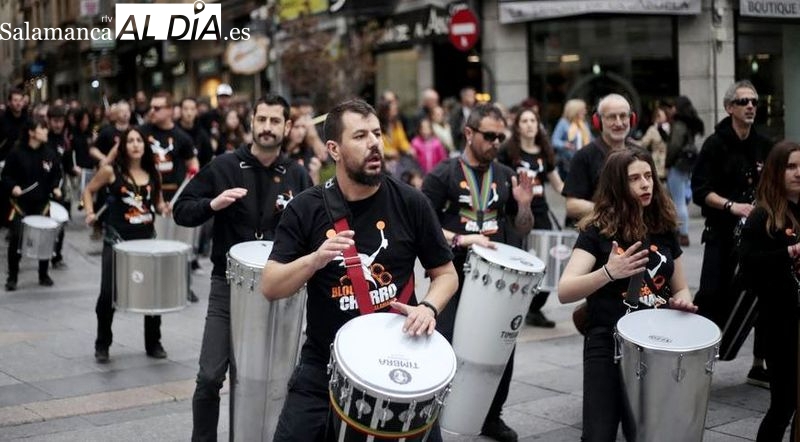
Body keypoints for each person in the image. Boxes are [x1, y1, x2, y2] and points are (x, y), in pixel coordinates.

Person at [261, 98, 459, 441]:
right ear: (334, 149)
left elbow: (446, 273)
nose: (374, 144)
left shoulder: (411, 201)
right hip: (325, 363)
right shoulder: (305, 209)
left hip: (397, 358)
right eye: (361, 136)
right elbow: (271, 285)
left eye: (378, 134)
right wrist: (315, 260)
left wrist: (428, 307)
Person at [172, 94, 313, 441]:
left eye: (275, 121)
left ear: (287, 127)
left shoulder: (296, 175)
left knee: (268, 378)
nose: (267, 127)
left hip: (279, 288)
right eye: (261, 119)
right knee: (209, 377)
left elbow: (316, 226)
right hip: (228, 286)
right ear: (251, 122)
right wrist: (212, 204)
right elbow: (182, 210)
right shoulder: (224, 166)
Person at [557, 147, 697, 441]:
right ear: (618, 186)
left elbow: (681, 285)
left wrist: (683, 301)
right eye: (635, 179)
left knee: (647, 433)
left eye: (649, 176)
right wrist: (609, 272)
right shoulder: (598, 231)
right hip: (608, 342)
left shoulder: (663, 225)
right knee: (598, 434)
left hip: (656, 346)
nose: (646, 184)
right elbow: (565, 290)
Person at [421, 102, 534, 442]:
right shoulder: (442, 174)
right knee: (445, 343)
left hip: (497, 281)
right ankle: (435, 415)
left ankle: (492, 416)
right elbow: (423, 226)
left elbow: (522, 226)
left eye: (501, 136)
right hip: (452, 275)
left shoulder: (504, 175)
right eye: (489, 136)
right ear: (468, 133)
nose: (495, 142)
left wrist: (525, 204)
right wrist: (459, 238)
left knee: (502, 347)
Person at [690, 80, 773, 387]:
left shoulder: (764, 144)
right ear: (729, 108)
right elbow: (700, 191)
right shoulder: (715, 144)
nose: (750, 106)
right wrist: (731, 206)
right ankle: (696, 358)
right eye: (743, 101)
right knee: (711, 295)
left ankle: (759, 364)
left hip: (758, 236)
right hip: (721, 233)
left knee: (764, 298)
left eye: (754, 100)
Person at [81, 126, 168, 362]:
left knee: (152, 294)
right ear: (123, 146)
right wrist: (89, 212)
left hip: (146, 242)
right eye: (130, 141)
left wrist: (164, 208)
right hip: (116, 241)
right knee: (108, 293)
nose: (135, 144)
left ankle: (153, 342)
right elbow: (88, 191)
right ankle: (102, 343)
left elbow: (157, 204)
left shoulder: (153, 173)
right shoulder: (111, 171)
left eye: (139, 140)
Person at [738, 140, 799, 442]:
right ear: (776, 171)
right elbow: (748, 268)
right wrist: (789, 253)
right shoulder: (762, 217)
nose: (799, 173)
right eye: (791, 167)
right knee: (784, 403)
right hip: (780, 324)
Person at [498, 107, 565, 328]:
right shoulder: (509, 151)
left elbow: (557, 184)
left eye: (533, 121)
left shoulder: (544, 152)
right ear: (517, 126)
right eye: (524, 121)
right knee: (518, 262)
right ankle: (512, 308)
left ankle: (534, 308)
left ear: (538, 125)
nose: (529, 125)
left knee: (548, 262)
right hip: (516, 213)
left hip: (541, 213)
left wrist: (578, 196)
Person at [2, 117, 62, 290]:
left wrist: (56, 188)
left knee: (45, 240)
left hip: (41, 204)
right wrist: (13, 187)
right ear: (31, 132)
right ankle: (12, 277)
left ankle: (43, 274)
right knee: (16, 240)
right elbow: (5, 176)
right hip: (21, 205)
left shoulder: (50, 153)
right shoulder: (16, 153)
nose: (46, 131)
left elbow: (56, 175)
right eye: (42, 128)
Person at [562, 94, 637, 227]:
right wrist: (614, 211)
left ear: (631, 119)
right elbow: (572, 206)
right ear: (598, 121)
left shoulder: (641, 154)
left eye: (623, 116)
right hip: (599, 237)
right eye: (611, 117)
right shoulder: (584, 156)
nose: (619, 123)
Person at [665, 96, 704, 247]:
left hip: (678, 165)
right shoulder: (689, 124)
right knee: (681, 199)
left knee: (678, 201)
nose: (671, 108)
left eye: (674, 106)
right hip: (687, 166)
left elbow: (674, 145)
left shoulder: (679, 124)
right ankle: (680, 230)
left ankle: (682, 233)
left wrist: (668, 163)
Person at [551, 98, 592, 179]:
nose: (585, 111)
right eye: (583, 109)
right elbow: (554, 141)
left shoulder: (584, 124)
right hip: (567, 164)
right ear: (575, 110)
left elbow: (591, 140)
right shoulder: (563, 123)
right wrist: (564, 144)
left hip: (584, 162)